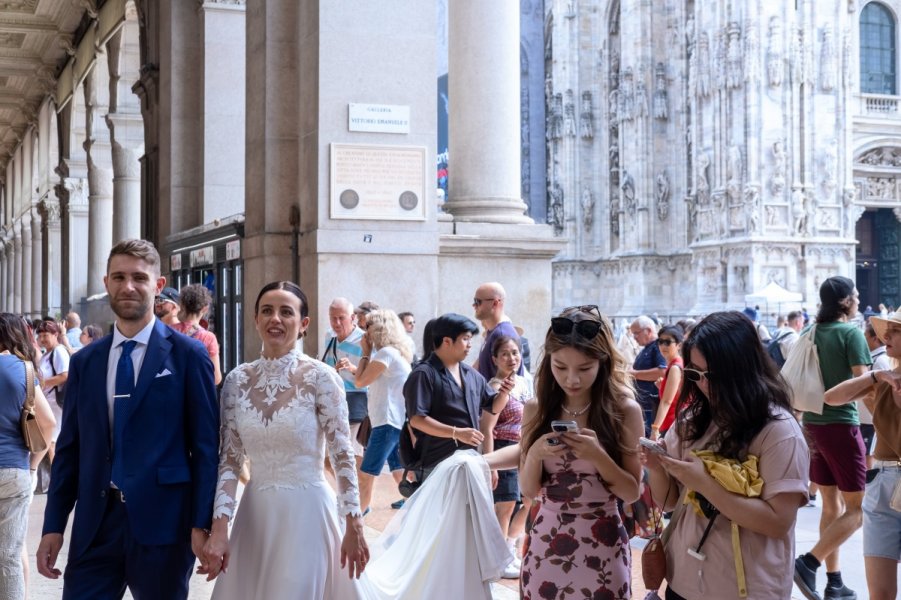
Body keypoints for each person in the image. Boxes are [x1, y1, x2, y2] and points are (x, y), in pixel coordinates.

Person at [36, 239, 220, 599]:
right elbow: (71, 449)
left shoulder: (189, 356)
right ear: (107, 284)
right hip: (95, 525)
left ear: (159, 285)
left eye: (139, 277)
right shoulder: (87, 362)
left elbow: (206, 449)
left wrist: (202, 523)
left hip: (164, 525)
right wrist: (54, 524)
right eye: (119, 277)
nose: (128, 286)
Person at [202, 281, 370, 598]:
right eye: (267, 311)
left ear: (303, 323)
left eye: (286, 312)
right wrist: (220, 528)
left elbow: (342, 455)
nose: (275, 319)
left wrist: (354, 524)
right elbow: (229, 461)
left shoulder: (322, 377)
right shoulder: (236, 381)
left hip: (308, 514)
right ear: (255, 319)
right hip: (255, 517)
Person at [645, 311, 810, 599]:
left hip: (746, 588)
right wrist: (656, 467)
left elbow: (778, 522)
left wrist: (706, 484)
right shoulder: (693, 418)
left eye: (714, 375)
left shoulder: (779, 431)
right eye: (695, 374)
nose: (704, 385)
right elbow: (671, 501)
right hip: (683, 581)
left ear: (743, 369)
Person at [519, 305, 643, 599]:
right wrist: (535, 454)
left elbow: (632, 492)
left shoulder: (625, 411)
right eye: (560, 367)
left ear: (603, 363)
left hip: (604, 545)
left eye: (584, 368)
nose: (571, 379)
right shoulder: (536, 408)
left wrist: (598, 455)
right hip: (546, 542)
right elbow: (528, 490)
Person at [794, 277, 872, 600]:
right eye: (854, 295)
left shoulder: (808, 332)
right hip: (841, 425)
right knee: (857, 511)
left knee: (832, 504)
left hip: (812, 424)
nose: (857, 299)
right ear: (845, 302)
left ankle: (835, 582)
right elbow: (866, 384)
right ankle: (808, 562)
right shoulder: (851, 334)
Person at [821, 312, 901, 600]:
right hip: (882, 484)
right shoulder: (882, 380)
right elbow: (831, 398)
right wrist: (876, 375)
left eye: (895, 331)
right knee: (880, 593)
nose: (886, 337)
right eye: (887, 331)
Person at [0, 314, 56, 600]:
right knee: (9, 555)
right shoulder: (25, 371)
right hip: (14, 470)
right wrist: (32, 466)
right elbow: (48, 424)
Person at [479, 335, 533, 579]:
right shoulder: (493, 387)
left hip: (523, 450)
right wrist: (491, 465)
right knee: (505, 506)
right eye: (505, 354)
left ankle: (508, 550)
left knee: (528, 501)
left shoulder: (524, 382)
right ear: (495, 359)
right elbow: (487, 427)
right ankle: (499, 561)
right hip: (502, 447)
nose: (512, 358)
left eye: (515, 352)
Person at [353, 309, 412, 514]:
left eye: (367, 326)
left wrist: (365, 352)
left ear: (378, 329)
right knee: (400, 474)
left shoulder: (386, 353)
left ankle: (356, 518)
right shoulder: (394, 353)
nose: (363, 331)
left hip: (387, 423)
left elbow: (360, 381)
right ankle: (418, 511)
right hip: (393, 422)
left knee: (366, 475)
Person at [323, 298, 368, 467]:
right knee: (328, 458)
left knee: (348, 452)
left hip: (356, 399)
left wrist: (353, 368)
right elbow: (327, 367)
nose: (336, 322)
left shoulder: (365, 340)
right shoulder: (329, 336)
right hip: (332, 398)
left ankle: (351, 490)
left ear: (353, 318)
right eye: (333, 318)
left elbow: (372, 375)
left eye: (341, 318)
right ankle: (348, 489)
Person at [172, 283, 222, 385]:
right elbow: (216, 378)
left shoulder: (168, 331)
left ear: (182, 305)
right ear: (205, 308)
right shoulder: (208, 338)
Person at [472, 281, 523, 380]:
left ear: (495, 303)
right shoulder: (493, 332)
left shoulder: (501, 334)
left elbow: (511, 383)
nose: (474, 305)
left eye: (478, 301)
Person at [35, 320, 69, 465]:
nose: (42, 339)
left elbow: (65, 375)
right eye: (40, 335)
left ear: (55, 334)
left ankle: (57, 478)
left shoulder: (59, 351)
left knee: (51, 443)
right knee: (49, 442)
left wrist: (41, 383)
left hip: (55, 404)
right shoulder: (47, 353)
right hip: (48, 402)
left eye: (46, 335)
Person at [861, 320, 891, 470]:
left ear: (874, 338)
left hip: (870, 421)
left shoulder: (879, 361)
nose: (863, 338)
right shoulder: (874, 359)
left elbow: (882, 397)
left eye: (865, 335)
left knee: (867, 460)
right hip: (866, 419)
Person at [629, 315, 667, 435]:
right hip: (644, 405)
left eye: (636, 333)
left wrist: (635, 374)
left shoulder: (657, 346)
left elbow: (662, 372)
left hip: (650, 406)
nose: (634, 337)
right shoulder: (647, 348)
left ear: (649, 330)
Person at [649, 324, 684, 439]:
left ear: (678, 345)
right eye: (660, 341)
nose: (663, 346)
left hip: (672, 424)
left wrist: (655, 429)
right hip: (673, 423)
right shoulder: (674, 365)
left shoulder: (675, 367)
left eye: (668, 342)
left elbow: (666, 401)